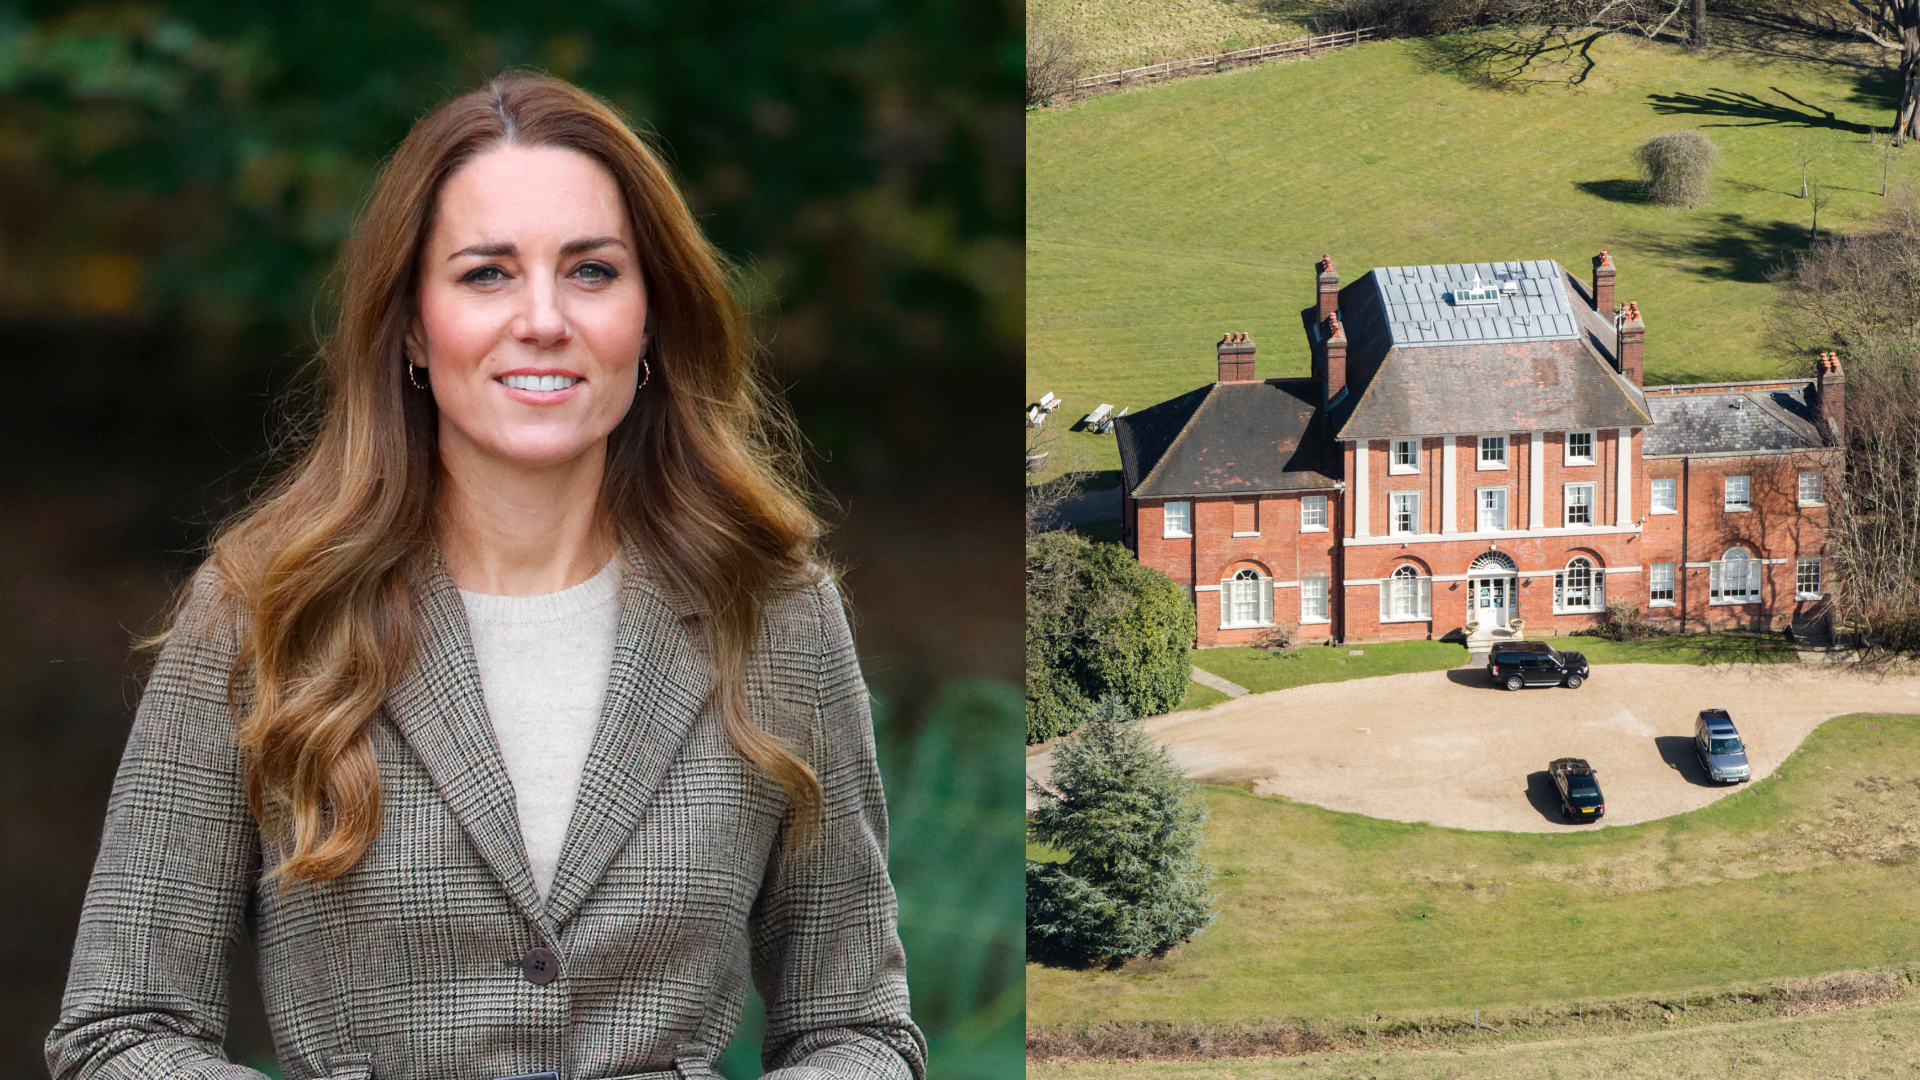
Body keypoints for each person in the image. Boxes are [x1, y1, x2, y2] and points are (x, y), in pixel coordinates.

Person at [46, 72, 924, 1080]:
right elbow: (121, 1032)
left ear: (651, 319)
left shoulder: (773, 613)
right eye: (487, 274)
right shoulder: (265, 613)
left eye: (591, 272)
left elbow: (857, 1030)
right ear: (414, 325)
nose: (544, 319)